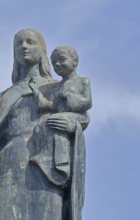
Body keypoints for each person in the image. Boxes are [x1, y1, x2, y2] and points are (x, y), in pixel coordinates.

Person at [0, 29, 90, 220]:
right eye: (19, 44)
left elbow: (82, 118)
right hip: (7, 171)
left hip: (46, 170)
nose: (24, 47)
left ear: (42, 51)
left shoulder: (57, 88)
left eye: (30, 42)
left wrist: (71, 126)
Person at [28, 45, 92, 183]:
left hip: (78, 116)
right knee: (41, 126)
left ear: (74, 61)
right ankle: (45, 156)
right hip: (60, 115)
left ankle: (62, 165)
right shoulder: (56, 87)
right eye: (54, 63)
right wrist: (35, 91)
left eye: (62, 60)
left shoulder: (82, 81)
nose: (57, 64)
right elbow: (50, 106)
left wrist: (69, 96)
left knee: (55, 120)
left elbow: (87, 102)